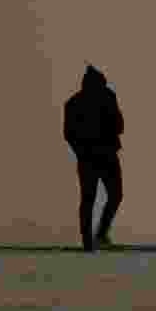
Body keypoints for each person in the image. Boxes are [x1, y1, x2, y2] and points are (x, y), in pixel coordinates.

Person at [63, 64, 125, 252]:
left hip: (98, 155)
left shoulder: (80, 101)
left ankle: (94, 238)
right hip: (96, 156)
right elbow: (69, 133)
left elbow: (119, 125)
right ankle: (92, 238)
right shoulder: (79, 102)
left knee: (105, 196)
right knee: (96, 197)